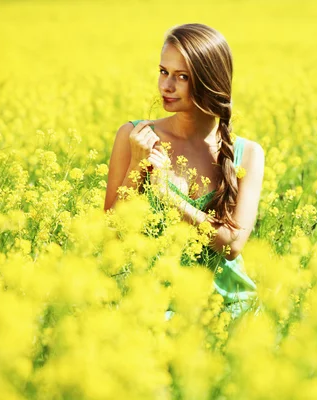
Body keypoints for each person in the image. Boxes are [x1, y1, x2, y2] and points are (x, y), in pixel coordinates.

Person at [103, 23, 265, 321]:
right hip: (152, 305)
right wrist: (137, 167)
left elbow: (233, 245)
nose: (166, 86)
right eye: (163, 71)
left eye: (181, 77)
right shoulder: (134, 137)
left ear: (209, 81)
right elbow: (111, 235)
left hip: (225, 306)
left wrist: (168, 195)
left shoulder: (249, 154)